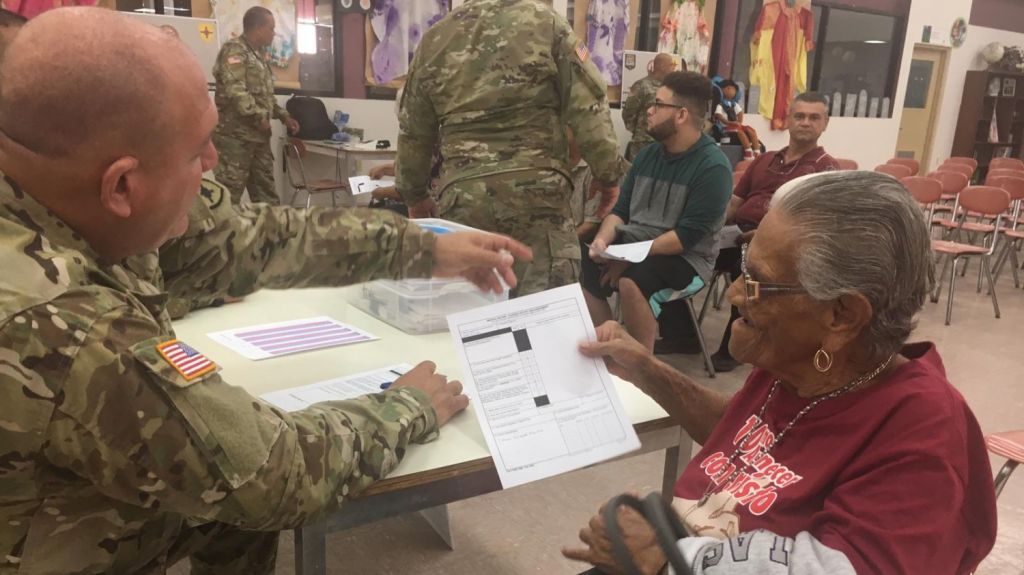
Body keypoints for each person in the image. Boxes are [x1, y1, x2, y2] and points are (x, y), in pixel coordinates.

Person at [0, 9, 532, 573]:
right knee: (244, 501)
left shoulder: (57, 189)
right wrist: (405, 407)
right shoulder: (62, 323)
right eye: (198, 151)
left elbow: (256, 236)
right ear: (123, 185)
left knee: (233, 524)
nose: (212, 165)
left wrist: (421, 249)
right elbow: (271, 474)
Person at [563, 171, 997, 574]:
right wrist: (644, 366)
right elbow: (742, 431)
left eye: (755, 281)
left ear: (841, 315)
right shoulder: (802, 360)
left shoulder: (924, 437)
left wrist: (669, 555)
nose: (733, 294)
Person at [395, 0, 624, 297]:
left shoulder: (436, 38)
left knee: (473, 316)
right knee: (543, 314)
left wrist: (414, 195)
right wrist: (608, 176)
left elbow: (413, 130)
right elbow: (588, 107)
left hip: (465, 197)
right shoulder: (548, 24)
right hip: (538, 194)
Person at [583, 71, 732, 351]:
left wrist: (628, 258)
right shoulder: (648, 155)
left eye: (658, 104)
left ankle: (642, 366)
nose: (649, 110)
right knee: (578, 261)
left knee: (633, 281)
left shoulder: (713, 168)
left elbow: (684, 239)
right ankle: (611, 353)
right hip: (636, 246)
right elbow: (621, 211)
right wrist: (603, 243)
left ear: (681, 115)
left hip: (687, 259)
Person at [709, 91, 838, 372]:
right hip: (735, 235)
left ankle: (736, 347)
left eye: (814, 117)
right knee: (683, 255)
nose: (805, 123)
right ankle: (680, 333)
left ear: (825, 123)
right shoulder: (765, 159)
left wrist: (763, 238)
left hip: (779, 248)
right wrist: (707, 230)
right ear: (788, 120)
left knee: (748, 271)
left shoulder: (826, 170)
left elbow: (815, 227)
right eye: (799, 116)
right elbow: (734, 203)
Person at [212, 6, 300, 205]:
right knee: (228, 196)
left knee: (266, 194)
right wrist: (258, 117)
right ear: (259, 29)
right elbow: (236, 90)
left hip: (258, 138)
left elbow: (265, 97)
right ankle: (223, 235)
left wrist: (284, 115)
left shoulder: (259, 56)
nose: (273, 33)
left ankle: (271, 235)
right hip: (235, 139)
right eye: (271, 29)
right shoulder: (234, 50)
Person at [621, 52, 677, 161]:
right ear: (662, 66)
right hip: (642, 144)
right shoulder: (641, 85)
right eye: (671, 65)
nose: (673, 68)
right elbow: (628, 113)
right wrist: (640, 131)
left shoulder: (669, 88)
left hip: (663, 144)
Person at [714, 79, 761, 160]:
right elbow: (719, 117)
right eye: (730, 88)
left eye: (733, 89)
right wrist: (730, 123)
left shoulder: (734, 104)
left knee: (751, 130)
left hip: (735, 126)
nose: (732, 91)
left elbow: (740, 113)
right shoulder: (720, 105)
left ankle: (757, 151)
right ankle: (748, 152)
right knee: (740, 133)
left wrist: (738, 122)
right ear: (724, 89)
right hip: (726, 128)